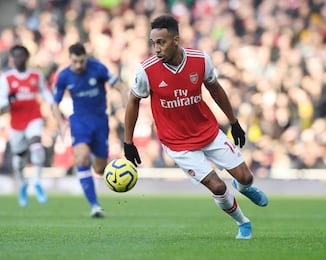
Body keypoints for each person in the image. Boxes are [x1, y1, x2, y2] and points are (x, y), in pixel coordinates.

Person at [123, 14, 268, 239]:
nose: (156, 49)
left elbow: (215, 89)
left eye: (161, 42)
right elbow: (133, 101)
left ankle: (244, 187)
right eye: (153, 43)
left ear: (176, 40)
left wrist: (234, 122)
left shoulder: (200, 60)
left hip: (207, 132)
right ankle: (243, 223)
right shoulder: (146, 70)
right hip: (178, 144)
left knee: (246, 177)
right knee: (218, 187)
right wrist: (128, 142)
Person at [52, 43, 120, 218]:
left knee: (99, 168)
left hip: (100, 121)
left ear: (86, 58)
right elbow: (54, 103)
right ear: (70, 60)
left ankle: (98, 165)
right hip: (80, 121)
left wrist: (128, 109)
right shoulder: (64, 76)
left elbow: (120, 86)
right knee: (81, 158)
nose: (78, 66)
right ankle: (95, 206)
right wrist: (60, 122)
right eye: (75, 62)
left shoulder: (98, 68)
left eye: (81, 61)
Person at [0, 44, 54, 207]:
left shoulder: (36, 75)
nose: (18, 59)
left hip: (34, 117)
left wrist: (52, 102)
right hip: (16, 122)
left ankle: (36, 182)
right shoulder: (6, 78)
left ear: (27, 57)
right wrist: (9, 100)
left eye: (21, 56)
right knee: (18, 160)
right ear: (12, 59)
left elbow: (44, 91)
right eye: (15, 56)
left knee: (36, 146)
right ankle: (23, 185)